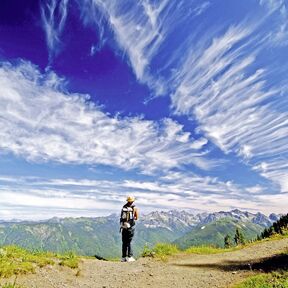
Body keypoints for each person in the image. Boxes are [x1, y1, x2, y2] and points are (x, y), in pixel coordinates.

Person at [120, 196, 139, 262]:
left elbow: (122, 217)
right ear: (133, 201)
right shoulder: (134, 208)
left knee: (124, 242)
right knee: (129, 242)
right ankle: (130, 257)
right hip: (130, 227)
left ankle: (123, 257)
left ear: (127, 201)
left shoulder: (124, 207)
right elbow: (136, 217)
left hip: (124, 227)